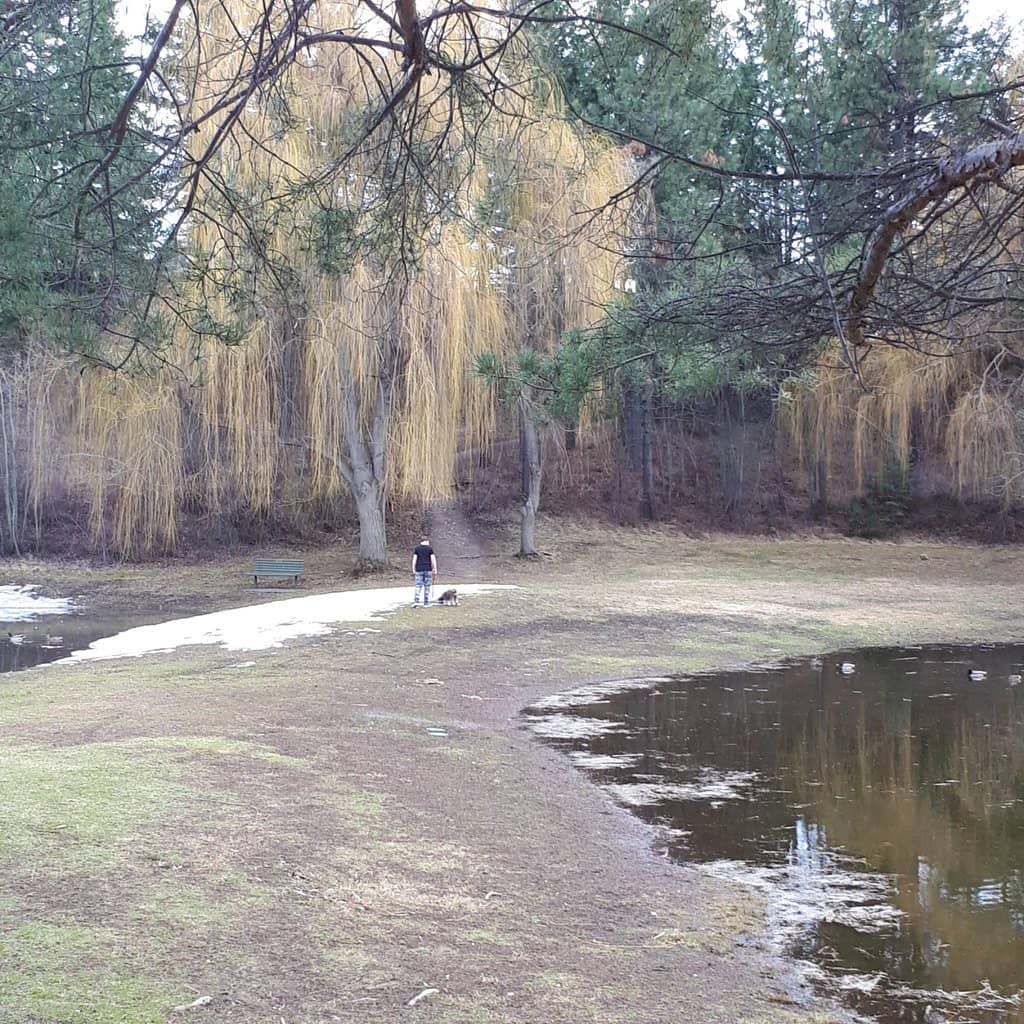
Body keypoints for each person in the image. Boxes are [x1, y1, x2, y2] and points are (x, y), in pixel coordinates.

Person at [411, 536, 437, 607]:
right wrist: (435, 569)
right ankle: (426, 602)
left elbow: (414, 560)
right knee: (427, 586)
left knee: (418, 586)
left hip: (419, 569)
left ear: (421, 541)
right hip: (428, 569)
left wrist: (413, 569)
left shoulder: (417, 549)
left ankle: (416, 601)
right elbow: (433, 560)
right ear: (427, 541)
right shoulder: (430, 549)